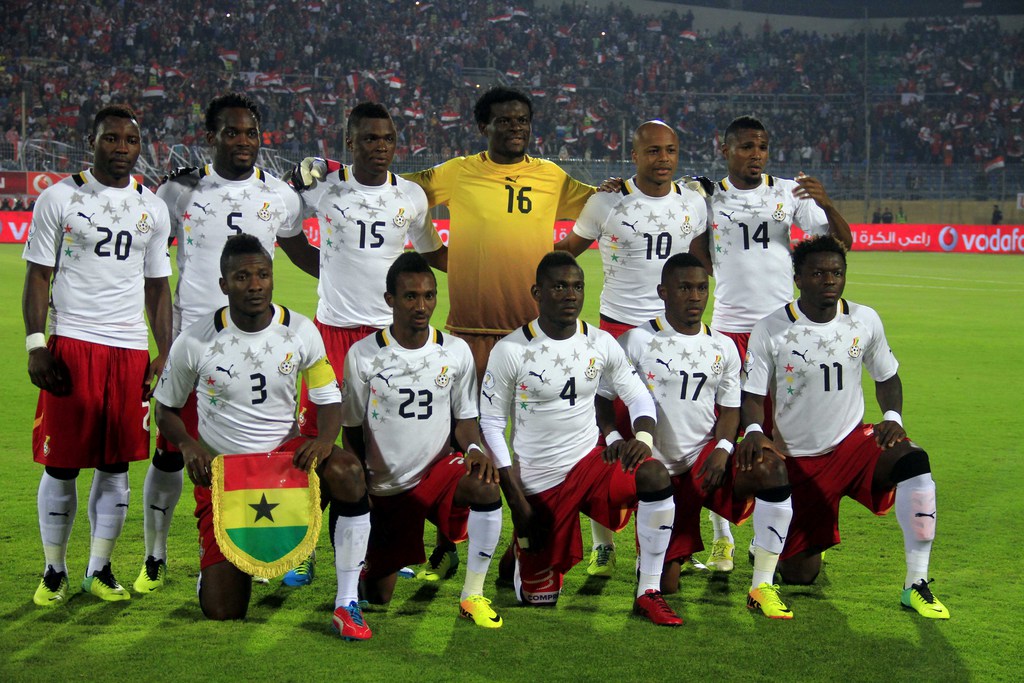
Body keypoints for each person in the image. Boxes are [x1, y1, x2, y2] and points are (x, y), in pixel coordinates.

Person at [135, 92, 317, 594]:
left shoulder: (280, 195)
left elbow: (300, 249)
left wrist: (349, 278)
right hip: (195, 344)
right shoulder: (179, 190)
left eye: (251, 132)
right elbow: (150, 266)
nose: (243, 141)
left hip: (259, 343)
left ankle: (282, 549)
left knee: (271, 451)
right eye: (231, 132)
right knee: (174, 454)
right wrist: (160, 344)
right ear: (210, 136)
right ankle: (155, 557)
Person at [153, 234, 376, 638]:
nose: (254, 285)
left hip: (283, 462)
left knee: (347, 470)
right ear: (224, 284)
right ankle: (216, 573)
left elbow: (328, 400)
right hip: (226, 474)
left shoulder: (301, 331)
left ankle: (347, 602)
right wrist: (187, 444)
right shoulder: (196, 340)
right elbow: (165, 410)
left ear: (273, 278)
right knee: (223, 611)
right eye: (242, 276)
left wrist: (326, 439)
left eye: (262, 274)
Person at [738, 235, 950, 620]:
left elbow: (887, 376)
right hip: (800, 461)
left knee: (914, 460)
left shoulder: (863, 319)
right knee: (802, 575)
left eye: (836, 272)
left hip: (853, 446)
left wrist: (892, 419)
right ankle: (768, 543)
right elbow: (751, 394)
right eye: (818, 273)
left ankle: (916, 584)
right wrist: (754, 430)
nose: (829, 280)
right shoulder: (771, 328)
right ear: (798, 277)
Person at [480, 251, 682, 626]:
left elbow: (638, 396)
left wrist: (643, 438)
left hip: (592, 463)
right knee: (538, 601)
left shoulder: (601, 343)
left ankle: (647, 591)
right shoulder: (510, 350)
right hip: (540, 481)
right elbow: (490, 423)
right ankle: (521, 552)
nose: (570, 294)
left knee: (654, 474)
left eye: (576, 286)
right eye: (559, 287)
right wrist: (516, 498)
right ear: (537, 292)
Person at [689, 114, 852, 573]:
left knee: (784, 438)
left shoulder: (787, 193)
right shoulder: (709, 196)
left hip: (784, 335)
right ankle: (722, 540)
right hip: (727, 334)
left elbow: (843, 242)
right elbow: (696, 254)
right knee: (717, 436)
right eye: (744, 146)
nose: (755, 153)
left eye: (761, 145)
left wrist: (825, 202)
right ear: (725, 150)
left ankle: (781, 539)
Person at [25, 104, 172, 605]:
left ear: (139, 146)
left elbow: (158, 287)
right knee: (62, 464)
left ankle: (100, 568)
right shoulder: (60, 197)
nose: (121, 149)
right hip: (72, 343)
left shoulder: (152, 206)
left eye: (130, 141)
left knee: (116, 467)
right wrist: (36, 343)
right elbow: (38, 275)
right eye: (111, 139)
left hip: (129, 351)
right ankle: (54, 570)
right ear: (93, 141)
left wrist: (164, 351)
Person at [554, 119, 708, 577]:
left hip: (675, 335)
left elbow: (700, 265)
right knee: (607, 434)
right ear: (635, 154)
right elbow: (565, 255)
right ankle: (603, 542)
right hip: (618, 331)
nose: (663, 159)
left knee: (682, 436)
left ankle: (694, 540)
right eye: (653, 151)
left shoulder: (694, 204)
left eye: (671, 150)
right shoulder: (606, 201)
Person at [603, 254, 794, 618]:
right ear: (663, 292)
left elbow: (731, 408)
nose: (695, 296)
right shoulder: (634, 341)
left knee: (771, 468)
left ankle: (761, 586)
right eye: (685, 288)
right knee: (668, 585)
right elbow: (603, 400)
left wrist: (724, 447)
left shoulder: (723, 346)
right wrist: (613, 437)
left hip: (704, 465)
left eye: (702, 288)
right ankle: (658, 557)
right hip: (654, 472)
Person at [341, 252, 503, 627]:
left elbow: (465, 420)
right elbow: (351, 427)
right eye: (411, 296)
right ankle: (372, 568)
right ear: (390, 300)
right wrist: (361, 484)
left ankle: (473, 595)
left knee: (485, 487)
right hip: (386, 486)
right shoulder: (364, 356)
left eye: (429, 295)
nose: (422, 305)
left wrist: (476, 449)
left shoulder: (455, 350)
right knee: (378, 597)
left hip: (438, 471)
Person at [403, 87, 595, 380]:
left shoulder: (551, 176)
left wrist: (561, 256)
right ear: (484, 127)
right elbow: (398, 191)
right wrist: (440, 255)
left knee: (536, 424)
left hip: (536, 330)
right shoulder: (459, 172)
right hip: (471, 330)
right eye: (505, 121)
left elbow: (600, 205)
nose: (516, 127)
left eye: (523, 120)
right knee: (468, 423)